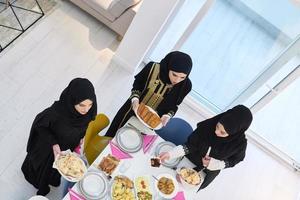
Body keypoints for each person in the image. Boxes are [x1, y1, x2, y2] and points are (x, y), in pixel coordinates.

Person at [21, 78, 97, 196]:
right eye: (82, 105)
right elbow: (40, 125)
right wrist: (54, 143)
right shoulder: (56, 112)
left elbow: (85, 124)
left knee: (59, 168)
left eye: (90, 104)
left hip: (67, 147)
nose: (86, 109)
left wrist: (81, 136)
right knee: (45, 169)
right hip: (48, 148)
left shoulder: (88, 112)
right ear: (72, 100)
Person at [159, 105, 253, 191]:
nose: (216, 132)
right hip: (189, 159)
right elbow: (191, 145)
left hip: (208, 172)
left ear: (235, 133)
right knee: (168, 181)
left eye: (222, 132)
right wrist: (170, 154)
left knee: (183, 192)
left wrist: (217, 164)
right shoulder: (208, 125)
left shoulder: (240, 144)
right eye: (217, 126)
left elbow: (235, 160)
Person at [105, 51, 193, 137]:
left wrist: (167, 116)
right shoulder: (152, 68)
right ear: (168, 67)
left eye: (182, 77)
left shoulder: (186, 86)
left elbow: (175, 105)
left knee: (133, 140)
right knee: (115, 133)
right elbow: (137, 85)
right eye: (174, 74)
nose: (177, 80)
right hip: (132, 108)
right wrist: (135, 100)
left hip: (151, 121)